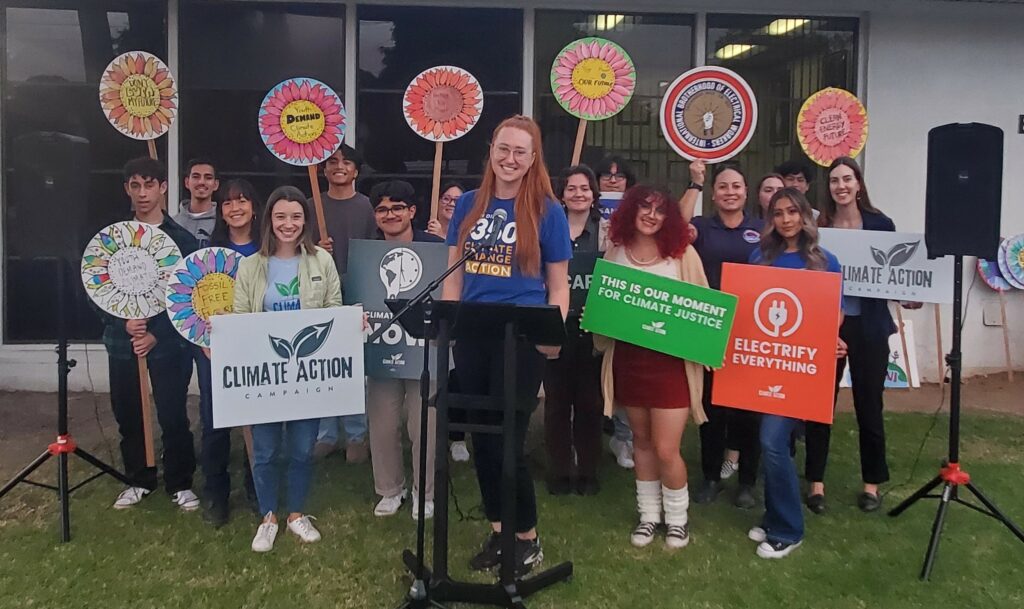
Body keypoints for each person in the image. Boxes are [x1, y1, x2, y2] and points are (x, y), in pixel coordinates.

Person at [442, 115, 571, 577]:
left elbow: (558, 285)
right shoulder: (470, 205)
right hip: (473, 331)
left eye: (520, 151)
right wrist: (449, 323)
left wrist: (550, 337)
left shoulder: (547, 212)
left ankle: (527, 538)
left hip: (520, 334)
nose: (510, 158)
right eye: (503, 149)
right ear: (491, 151)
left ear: (533, 158)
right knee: (482, 438)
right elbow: (453, 272)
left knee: (509, 441)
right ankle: (499, 530)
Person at [592, 185, 708, 550]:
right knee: (641, 443)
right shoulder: (615, 252)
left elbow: (703, 310)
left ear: (669, 217)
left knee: (666, 448)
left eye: (659, 210)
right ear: (630, 211)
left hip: (671, 366)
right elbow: (603, 308)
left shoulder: (683, 254)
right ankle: (648, 516)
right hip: (629, 362)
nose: (651, 215)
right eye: (644, 207)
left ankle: (677, 520)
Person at [234, 186, 342, 553]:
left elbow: (333, 309)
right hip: (265, 373)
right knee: (263, 450)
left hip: (307, 373)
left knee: (301, 448)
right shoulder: (250, 266)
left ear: (305, 221)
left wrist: (348, 325)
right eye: (281, 216)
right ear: (269, 220)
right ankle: (268, 517)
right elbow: (238, 319)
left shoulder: (321, 262)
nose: (288, 224)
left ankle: (296, 513)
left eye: (296, 216)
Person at [747, 187, 845, 559]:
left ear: (805, 215)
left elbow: (834, 311)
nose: (786, 219)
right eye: (778, 213)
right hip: (765, 364)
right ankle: (774, 516)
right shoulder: (759, 257)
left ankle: (789, 529)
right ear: (770, 218)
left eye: (793, 211)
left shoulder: (823, 261)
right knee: (772, 443)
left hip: (799, 370)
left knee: (773, 441)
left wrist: (832, 338)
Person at [806, 157, 905, 514]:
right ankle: (815, 482)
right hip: (828, 325)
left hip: (871, 327)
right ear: (829, 187)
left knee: (869, 405)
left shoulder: (881, 224)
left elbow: (895, 271)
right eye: (834, 181)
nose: (841, 186)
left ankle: (872, 484)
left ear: (859, 183)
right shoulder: (820, 225)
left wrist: (908, 296)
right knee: (819, 405)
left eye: (847, 179)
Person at [101, 157, 199, 512]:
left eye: (149, 185)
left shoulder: (182, 240)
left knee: (173, 413)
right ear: (127, 188)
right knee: (128, 413)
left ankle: (180, 482)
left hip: (168, 345)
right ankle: (138, 478)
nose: (143, 194)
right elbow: (97, 289)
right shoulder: (112, 239)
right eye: (135, 186)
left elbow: (189, 296)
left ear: (163, 188)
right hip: (123, 343)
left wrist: (157, 334)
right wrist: (121, 322)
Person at [679, 161, 763, 510]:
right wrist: (695, 183)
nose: (730, 192)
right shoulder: (700, 227)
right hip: (709, 326)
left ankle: (746, 483)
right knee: (710, 408)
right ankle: (711, 477)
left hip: (750, 328)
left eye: (737, 186)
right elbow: (676, 226)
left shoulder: (762, 228)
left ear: (746, 192)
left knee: (749, 409)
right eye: (723, 186)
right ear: (714, 195)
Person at [364, 180, 442, 520]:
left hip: (426, 348)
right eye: (382, 209)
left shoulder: (437, 248)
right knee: (382, 422)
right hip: (382, 347)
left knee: (425, 423)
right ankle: (389, 489)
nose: (390, 214)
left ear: (412, 211)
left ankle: (424, 493)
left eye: (397, 207)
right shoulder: (367, 253)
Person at [199, 178, 261, 526]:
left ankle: (256, 489)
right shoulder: (208, 254)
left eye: (241, 201)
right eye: (227, 203)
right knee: (214, 423)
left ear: (254, 207)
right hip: (214, 350)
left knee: (257, 423)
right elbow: (194, 304)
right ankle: (216, 495)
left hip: (256, 347)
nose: (235, 208)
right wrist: (204, 342)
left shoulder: (268, 250)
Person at [310, 144, 376, 464]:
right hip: (318, 293)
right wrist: (314, 248)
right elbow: (294, 246)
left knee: (353, 366)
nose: (339, 166)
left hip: (356, 289)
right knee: (322, 363)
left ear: (356, 171)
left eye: (346, 162)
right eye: (332, 162)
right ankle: (326, 433)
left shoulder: (367, 207)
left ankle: (356, 434)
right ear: (322, 170)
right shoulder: (311, 206)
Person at [544, 165, 605, 496]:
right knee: (555, 405)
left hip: (593, 333)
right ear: (561, 194)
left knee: (590, 404)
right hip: (556, 330)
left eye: (585, 188)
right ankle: (560, 470)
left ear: (594, 194)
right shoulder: (550, 228)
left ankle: (588, 471)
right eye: (572, 188)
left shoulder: (608, 232)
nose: (579, 193)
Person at [592, 154, 637, 470]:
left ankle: (624, 439)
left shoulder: (637, 214)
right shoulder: (584, 209)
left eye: (619, 176)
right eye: (606, 175)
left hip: (621, 299)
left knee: (622, 375)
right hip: (584, 294)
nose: (612, 179)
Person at [426, 180, 472, 464]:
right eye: (446, 197)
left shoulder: (469, 235)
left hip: (462, 309)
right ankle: (433, 434)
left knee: (458, 379)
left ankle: (457, 437)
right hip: (436, 312)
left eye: (457, 199)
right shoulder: (426, 234)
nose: (450, 203)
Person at [174, 158, 220, 247]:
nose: (201, 182)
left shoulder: (223, 224)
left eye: (208, 178)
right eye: (196, 177)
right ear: (187, 182)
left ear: (215, 184)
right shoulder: (173, 224)